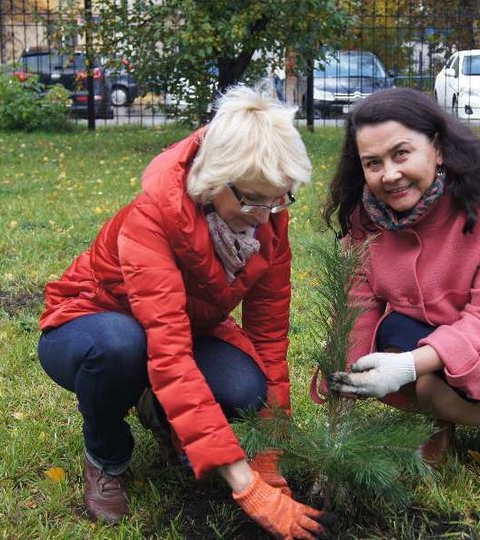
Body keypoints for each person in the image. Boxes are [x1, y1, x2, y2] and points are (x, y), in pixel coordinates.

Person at [38, 85, 327, 538]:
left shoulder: (266, 221)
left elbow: (269, 339)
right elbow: (168, 350)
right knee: (121, 347)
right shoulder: (152, 220)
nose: (267, 216)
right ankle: (106, 455)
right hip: (89, 323)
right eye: (253, 199)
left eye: (280, 199)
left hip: (184, 329)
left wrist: (267, 456)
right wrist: (246, 486)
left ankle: (159, 409)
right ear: (214, 181)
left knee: (245, 389)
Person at [324, 87, 480, 473]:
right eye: (372, 163)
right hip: (433, 328)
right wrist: (344, 389)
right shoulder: (365, 218)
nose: (389, 174)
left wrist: (409, 368)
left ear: (438, 148)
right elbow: (359, 307)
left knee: (425, 384)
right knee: (389, 350)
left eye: (401, 153)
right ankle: (436, 421)